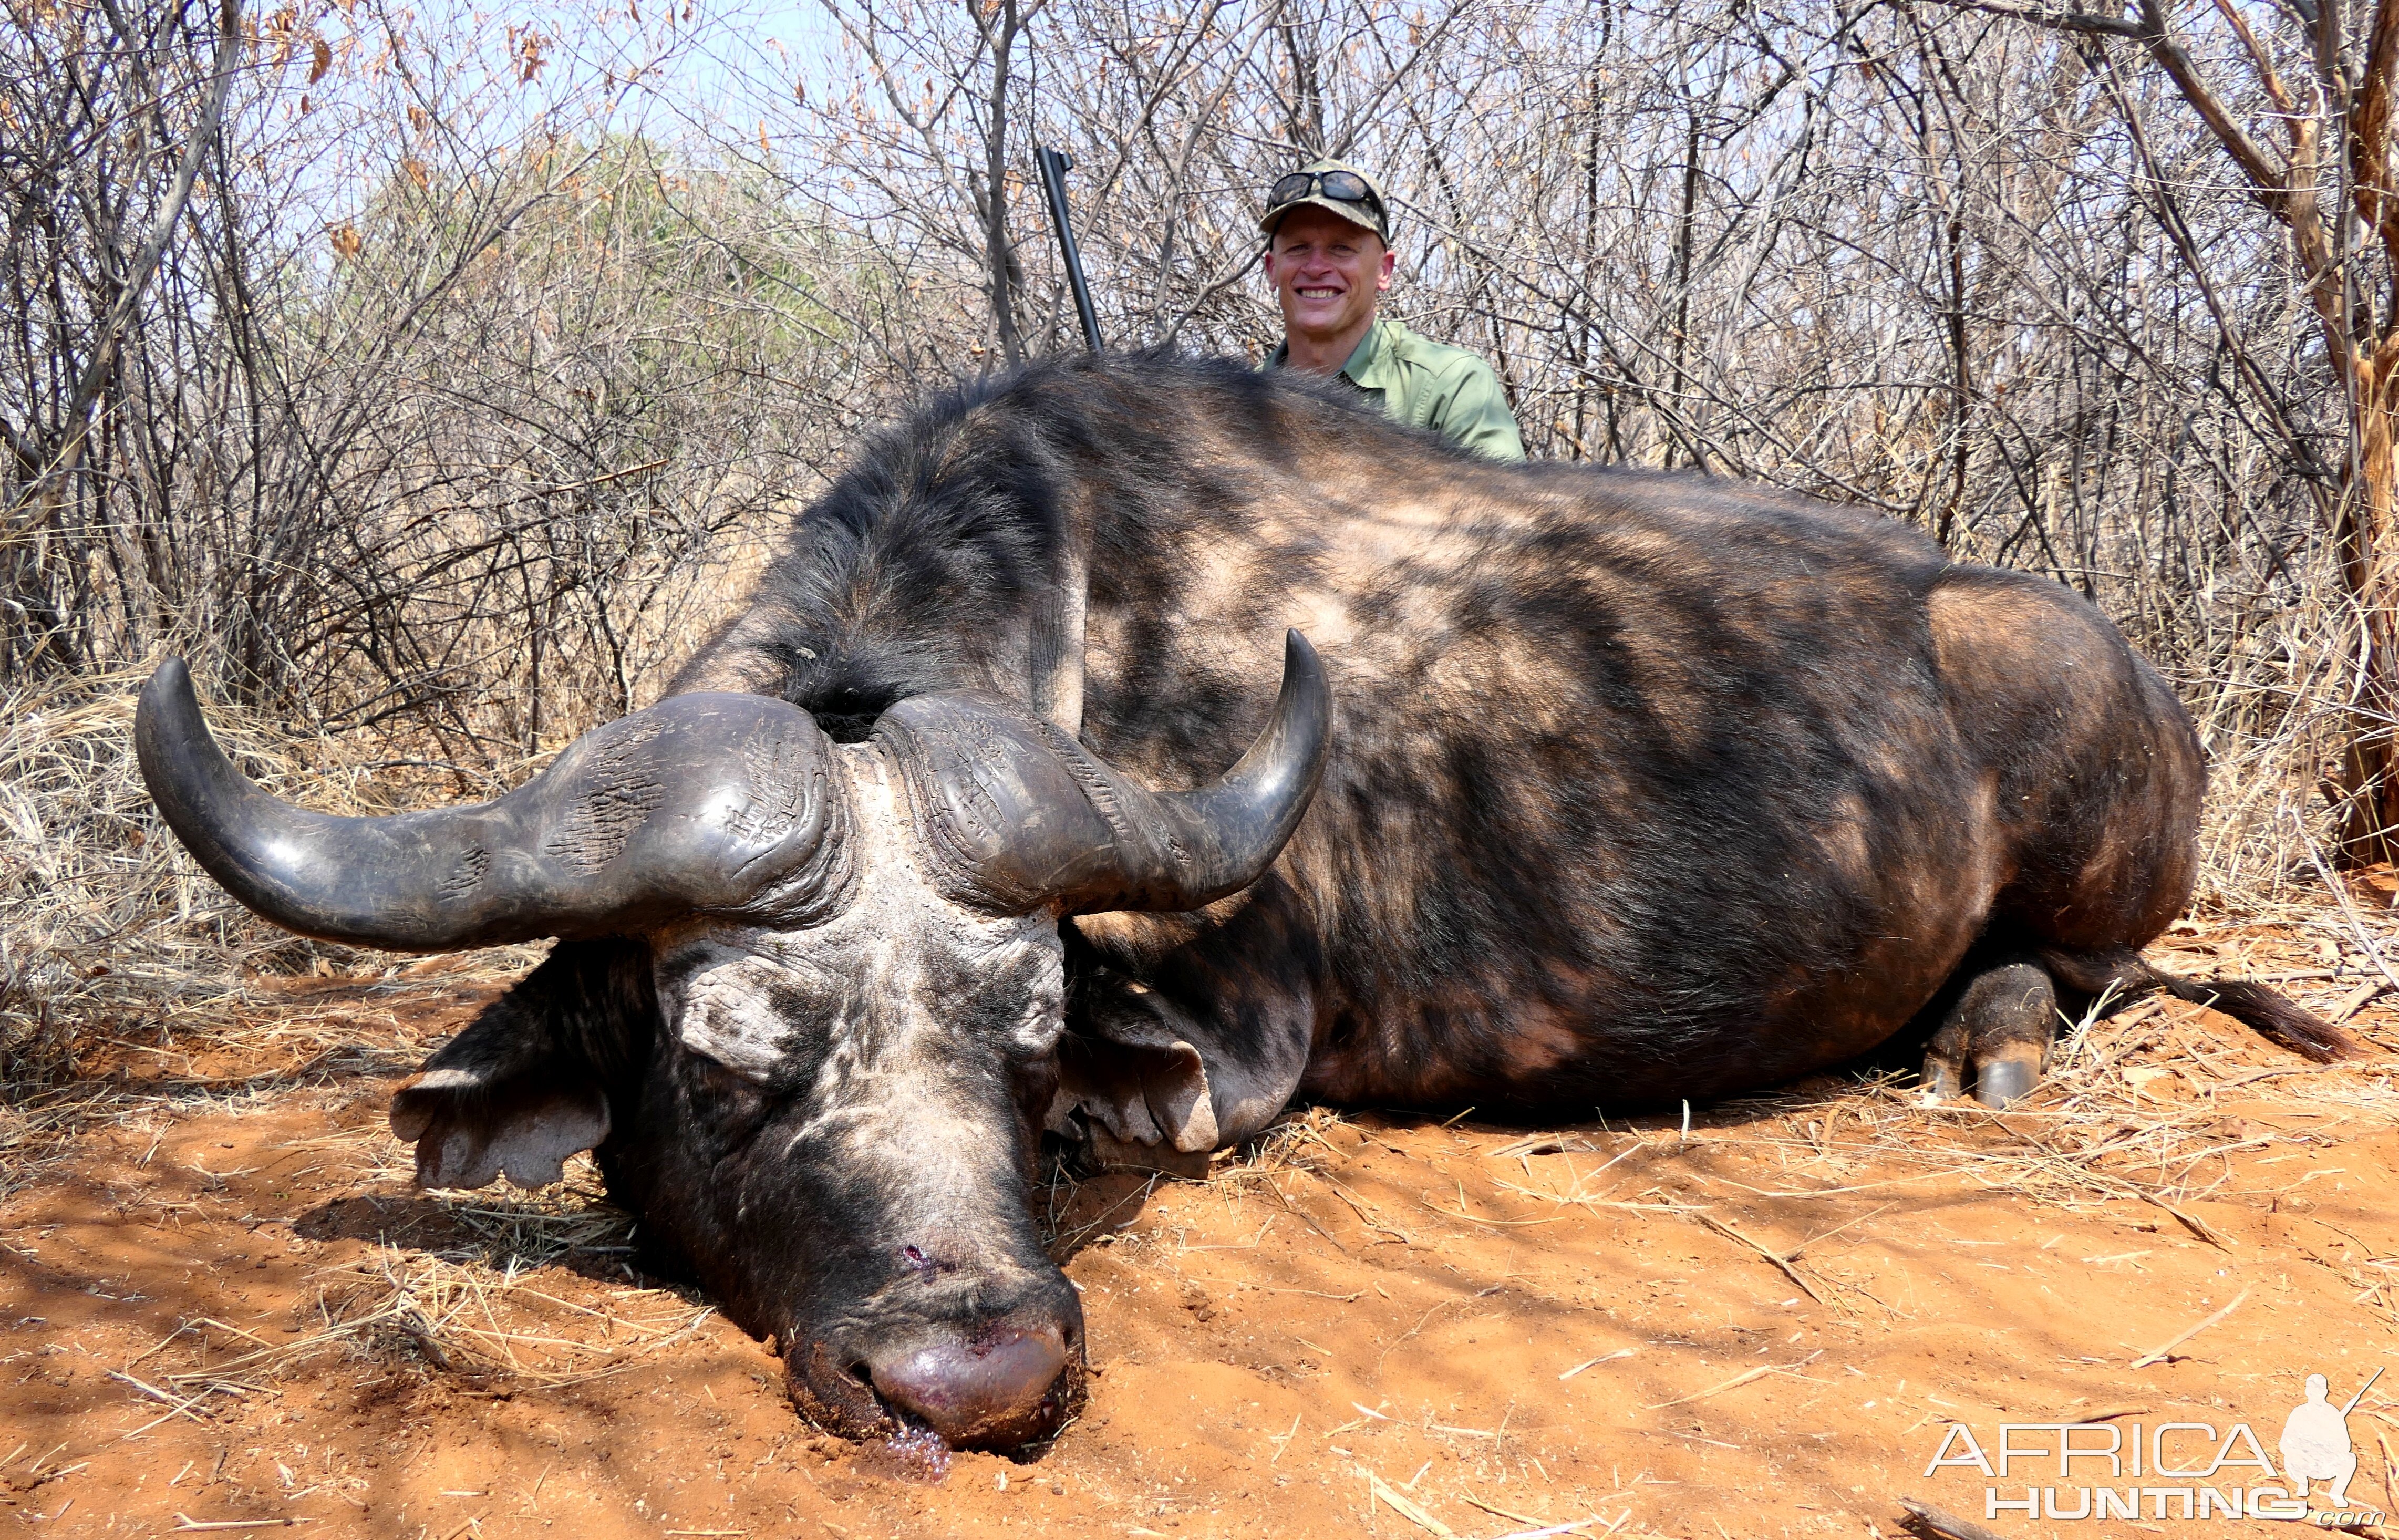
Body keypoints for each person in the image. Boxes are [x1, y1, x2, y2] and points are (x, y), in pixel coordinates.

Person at [1258, 158, 1526, 462]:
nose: (1317, 267)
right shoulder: (1236, 402)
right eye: (1298, 248)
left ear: (1383, 271)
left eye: (1342, 248)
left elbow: (1503, 506)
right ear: (1272, 269)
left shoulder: (1450, 384)